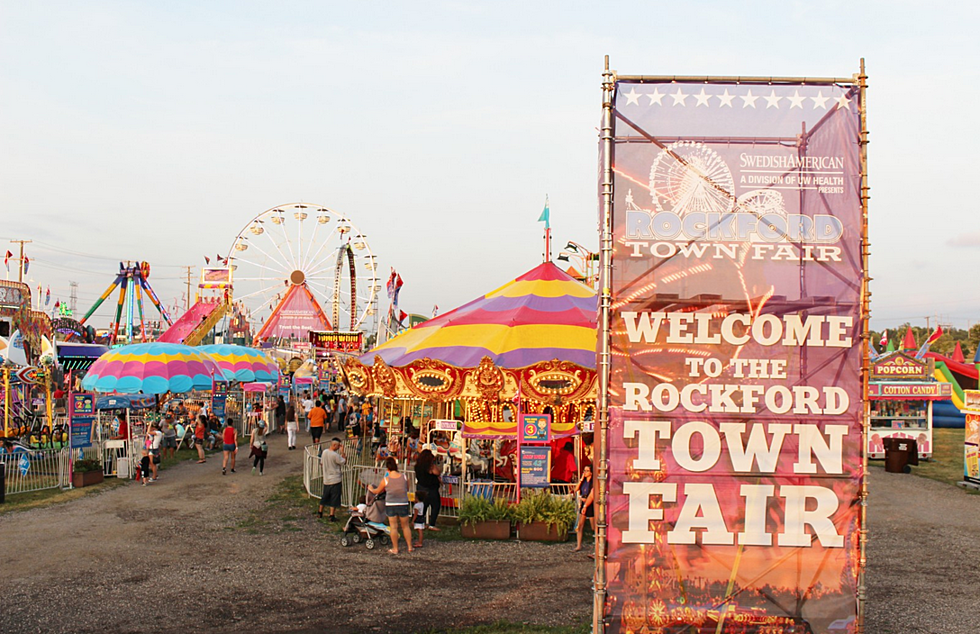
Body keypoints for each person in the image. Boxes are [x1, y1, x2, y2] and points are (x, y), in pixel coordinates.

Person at [368, 457, 413, 554]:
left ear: (387, 468)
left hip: (391, 504)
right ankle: (409, 546)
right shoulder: (405, 477)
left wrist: (370, 488)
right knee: (405, 526)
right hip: (403, 503)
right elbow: (407, 489)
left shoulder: (386, 479)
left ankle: (395, 548)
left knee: (393, 527)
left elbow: (377, 491)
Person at [414, 449, 442, 531]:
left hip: (421, 487)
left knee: (423, 507)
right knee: (435, 506)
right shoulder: (430, 467)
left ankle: (419, 523)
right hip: (431, 488)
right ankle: (431, 524)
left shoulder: (417, 466)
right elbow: (437, 472)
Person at [318, 438, 346, 520]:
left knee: (325, 496)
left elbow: (322, 463)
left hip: (326, 479)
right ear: (334, 445)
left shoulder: (324, 452)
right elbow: (344, 461)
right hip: (335, 479)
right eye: (338, 446)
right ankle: (332, 515)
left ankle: (320, 512)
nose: (338, 448)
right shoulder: (335, 455)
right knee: (334, 497)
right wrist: (342, 452)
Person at [574, 465, 595, 552]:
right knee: (580, 525)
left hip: (590, 504)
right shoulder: (584, 482)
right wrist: (581, 479)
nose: (585, 472)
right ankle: (579, 545)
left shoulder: (592, 482)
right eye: (584, 470)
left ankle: (596, 543)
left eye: (587, 471)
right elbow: (576, 489)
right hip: (583, 502)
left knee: (593, 526)